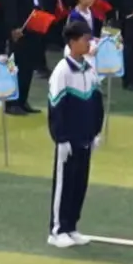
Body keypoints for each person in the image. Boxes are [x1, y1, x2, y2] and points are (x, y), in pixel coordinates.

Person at [46, 20, 106, 247]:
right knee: (64, 183)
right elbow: (56, 108)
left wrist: (95, 132)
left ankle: (71, 226)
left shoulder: (89, 68)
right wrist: (60, 138)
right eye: (85, 39)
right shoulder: (62, 72)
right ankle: (57, 230)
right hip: (68, 139)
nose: (89, 43)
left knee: (80, 183)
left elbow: (96, 102)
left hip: (86, 137)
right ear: (72, 42)